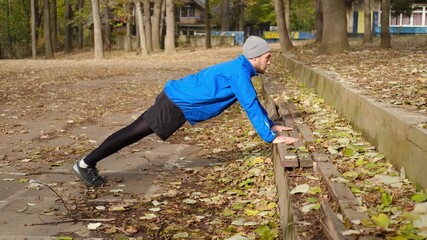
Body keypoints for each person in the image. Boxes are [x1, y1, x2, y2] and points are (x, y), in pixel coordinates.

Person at [72, 36, 298, 187]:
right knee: (133, 132)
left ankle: (86, 163)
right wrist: (270, 137)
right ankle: (85, 163)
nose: (269, 62)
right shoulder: (239, 72)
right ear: (255, 57)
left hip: (177, 99)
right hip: (177, 102)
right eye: (268, 58)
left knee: (134, 132)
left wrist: (270, 124)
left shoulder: (239, 69)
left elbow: (251, 100)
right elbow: (249, 104)